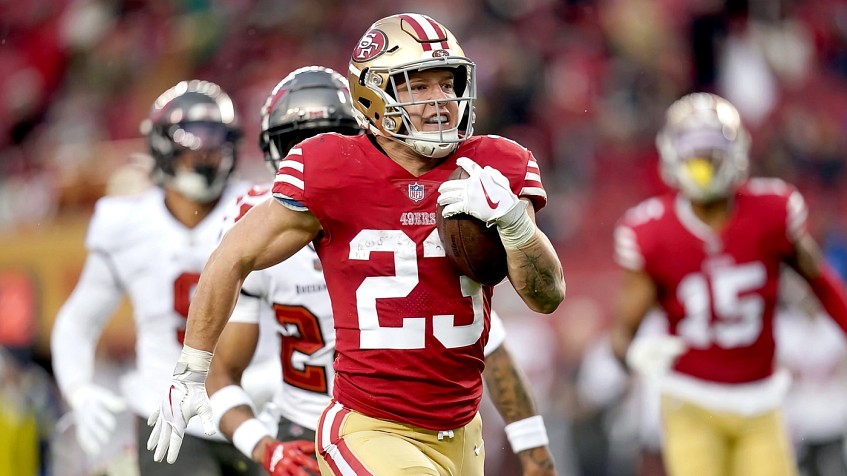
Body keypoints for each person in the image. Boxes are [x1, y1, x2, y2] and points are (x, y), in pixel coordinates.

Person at [147, 13, 565, 476]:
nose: (440, 101)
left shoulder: (495, 164)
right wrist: (191, 369)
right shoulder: (332, 169)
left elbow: (546, 296)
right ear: (371, 95)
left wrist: (513, 224)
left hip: (463, 432)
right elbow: (232, 256)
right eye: (417, 87)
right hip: (369, 429)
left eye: (447, 83)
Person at [609, 92, 847, 476]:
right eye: (695, 151)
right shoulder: (651, 232)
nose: (703, 162)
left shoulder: (772, 212)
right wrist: (632, 356)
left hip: (761, 398)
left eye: (713, 151)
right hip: (691, 399)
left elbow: (822, 284)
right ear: (672, 154)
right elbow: (621, 333)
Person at [51, 79, 270, 475]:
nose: (205, 153)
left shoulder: (263, 209)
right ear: (163, 147)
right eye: (193, 140)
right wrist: (78, 390)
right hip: (170, 417)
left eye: (215, 140)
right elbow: (78, 320)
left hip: (259, 405)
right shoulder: (125, 222)